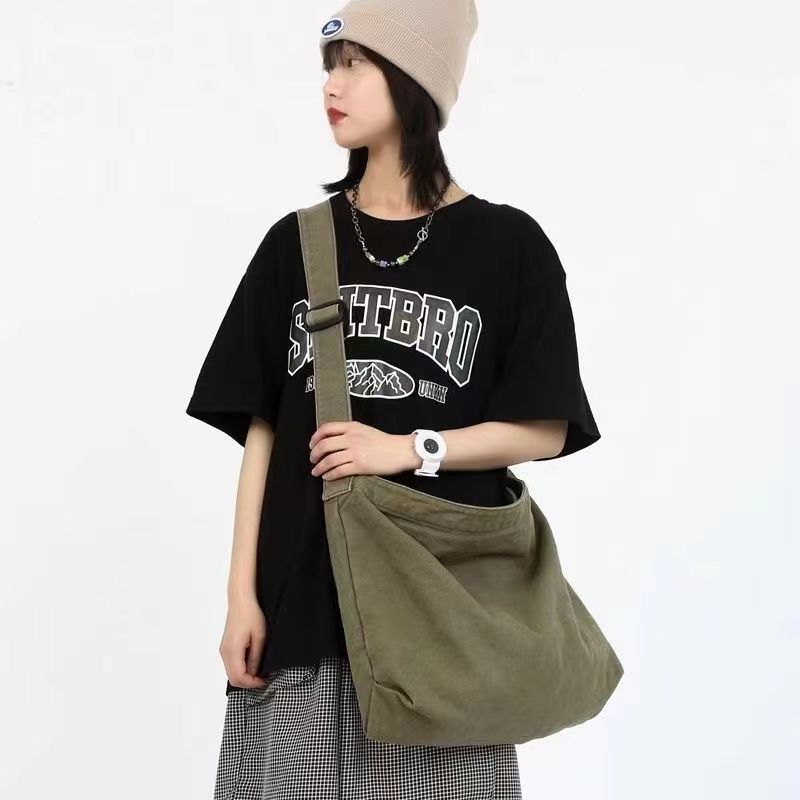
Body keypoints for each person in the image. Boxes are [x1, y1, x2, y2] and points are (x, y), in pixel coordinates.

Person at [186, 1, 601, 797]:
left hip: (442, 627)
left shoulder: (510, 248)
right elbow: (263, 431)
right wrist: (241, 596)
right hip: (304, 610)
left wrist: (410, 450)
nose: (331, 86)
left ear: (415, 76)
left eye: (355, 64)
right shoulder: (294, 245)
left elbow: (545, 427)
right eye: (329, 66)